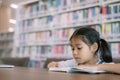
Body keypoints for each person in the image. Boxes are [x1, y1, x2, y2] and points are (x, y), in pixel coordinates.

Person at [48, 27, 120, 74]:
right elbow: (59, 65)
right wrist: (55, 64)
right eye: (73, 48)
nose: (74, 52)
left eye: (79, 48)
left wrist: (96, 67)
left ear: (94, 47)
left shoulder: (104, 64)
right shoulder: (75, 62)